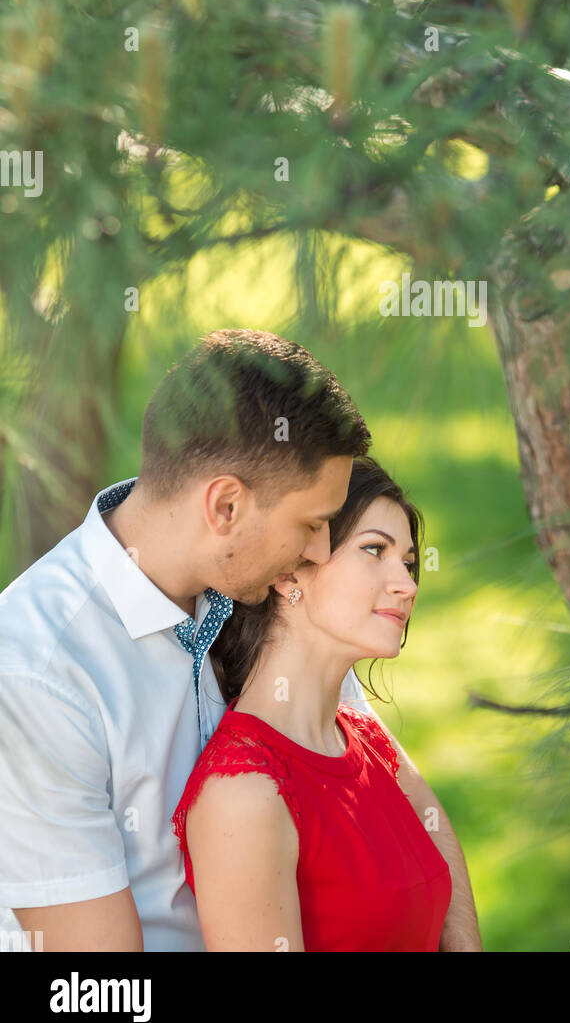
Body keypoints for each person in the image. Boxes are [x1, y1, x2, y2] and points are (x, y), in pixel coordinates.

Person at [0, 329, 481, 951]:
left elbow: (410, 807)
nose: (317, 552)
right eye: (312, 524)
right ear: (225, 506)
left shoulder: (251, 589)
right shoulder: (37, 671)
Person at [173, 456, 453, 951]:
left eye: (408, 563)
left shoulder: (365, 741)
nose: (408, 585)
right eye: (374, 550)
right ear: (288, 573)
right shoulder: (244, 796)